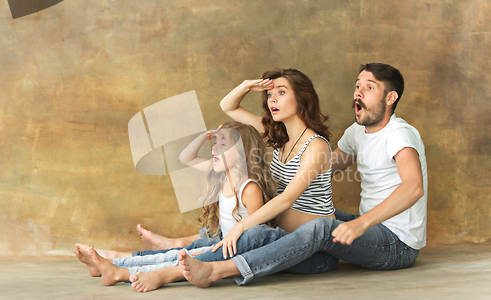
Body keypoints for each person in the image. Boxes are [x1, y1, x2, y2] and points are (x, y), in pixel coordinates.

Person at [178, 62, 428, 288]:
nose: (358, 93)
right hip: (369, 224)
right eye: (357, 86)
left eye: (369, 87)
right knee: (310, 216)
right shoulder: (356, 132)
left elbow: (413, 187)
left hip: (396, 243)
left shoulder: (399, 135)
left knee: (318, 226)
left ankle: (219, 269)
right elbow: (327, 168)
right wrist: (248, 85)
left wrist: (359, 224)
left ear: (390, 98)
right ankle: (191, 244)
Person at [127, 68, 338, 292]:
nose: (272, 100)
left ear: (303, 98)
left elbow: (286, 200)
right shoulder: (278, 136)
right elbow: (228, 106)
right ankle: (147, 256)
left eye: (281, 93)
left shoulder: (316, 145)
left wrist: (241, 227)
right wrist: (247, 85)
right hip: (277, 236)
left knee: (245, 233)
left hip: (313, 251)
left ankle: (165, 273)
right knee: (231, 233)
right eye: (269, 94)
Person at [74, 122, 275, 288]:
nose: (214, 149)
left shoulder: (249, 188)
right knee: (168, 256)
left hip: (229, 251)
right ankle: (107, 264)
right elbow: (185, 157)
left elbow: (255, 234)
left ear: (244, 153)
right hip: (219, 243)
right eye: (214, 143)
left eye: (222, 145)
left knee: (171, 260)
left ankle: (119, 272)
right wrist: (204, 136)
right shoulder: (222, 176)